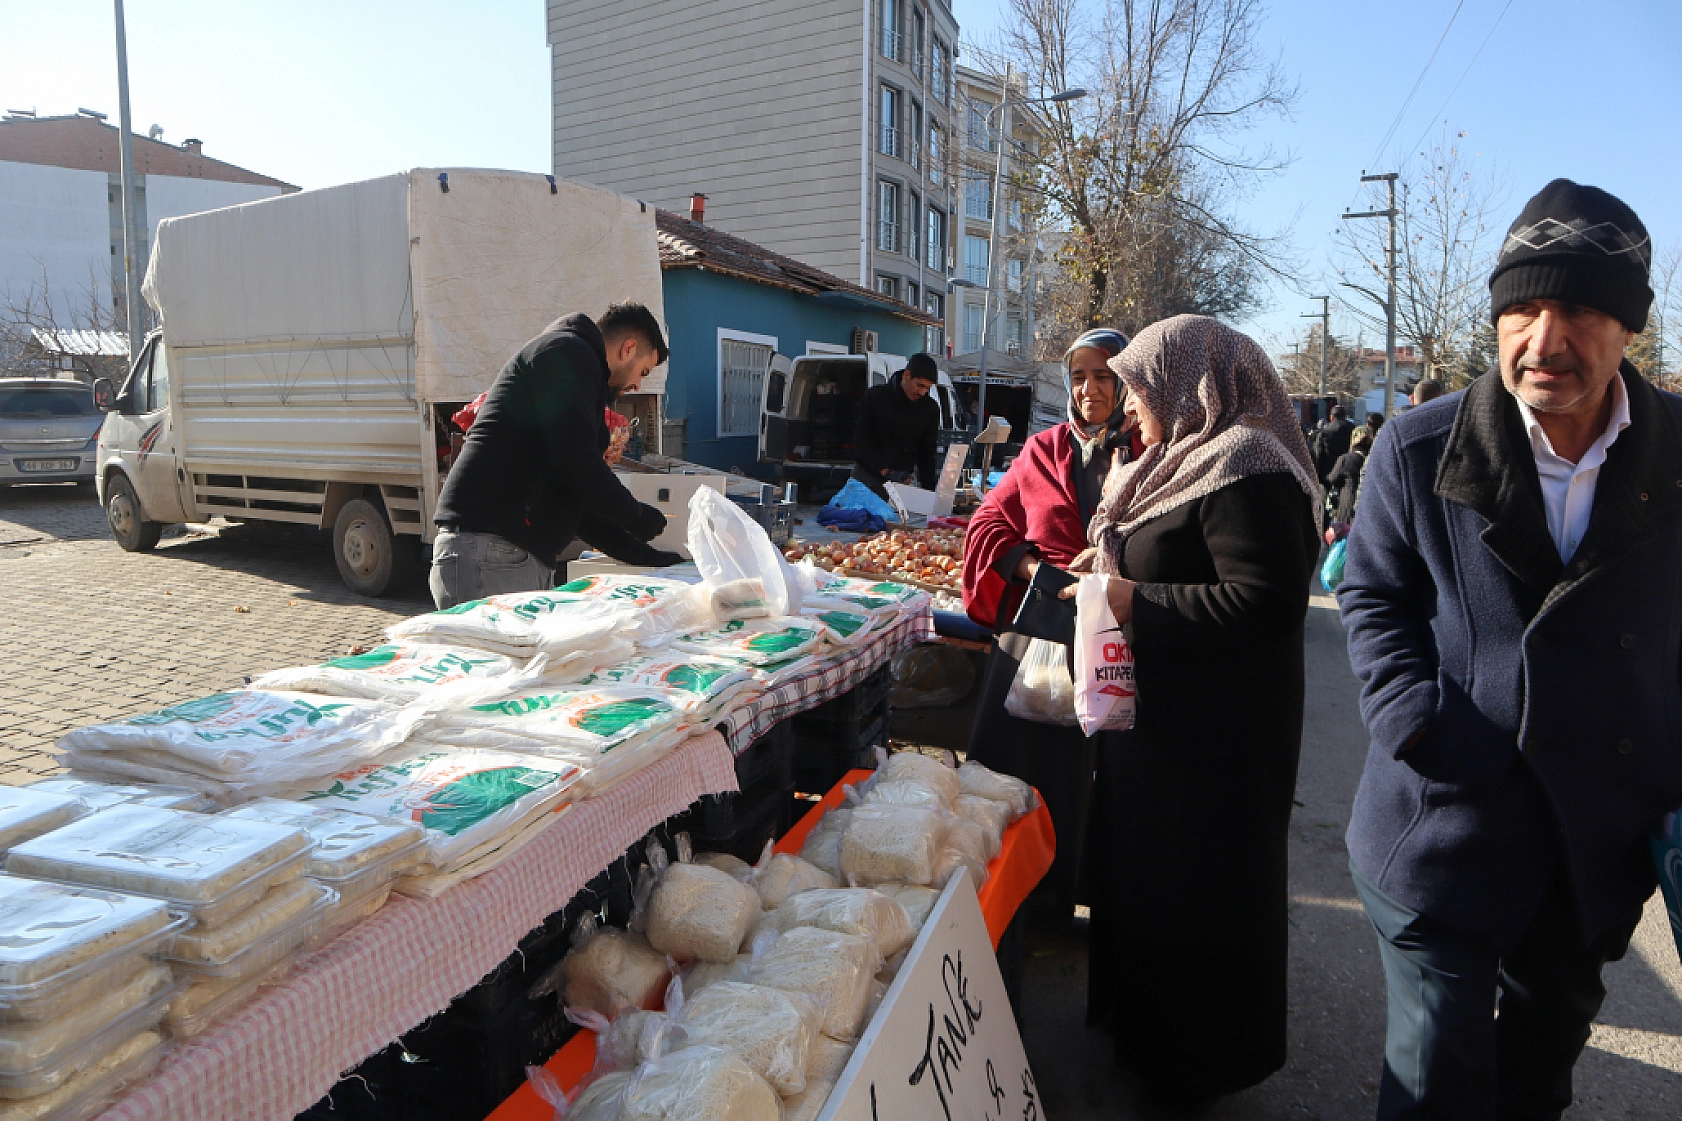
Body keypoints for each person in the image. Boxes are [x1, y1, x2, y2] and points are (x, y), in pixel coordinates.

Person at [1338, 179, 1682, 1120]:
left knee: (1536, 1078)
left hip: (1596, 840)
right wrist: (1420, 722)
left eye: (1577, 309)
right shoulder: (1417, 451)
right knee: (1438, 1081)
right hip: (1442, 822)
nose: (1545, 339)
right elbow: (1368, 597)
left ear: (1628, 329)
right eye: (1522, 309)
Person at [1072, 315, 1320, 1106]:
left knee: (1198, 896)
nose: (1130, 403)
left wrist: (1130, 598)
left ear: (1191, 380)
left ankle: (1191, 1066)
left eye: (1141, 384)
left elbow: (1265, 601)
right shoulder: (1183, 460)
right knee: (1149, 882)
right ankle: (1142, 1036)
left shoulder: (1248, 464)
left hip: (1217, 745)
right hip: (1165, 726)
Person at [961, 327, 1132, 919]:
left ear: (1129, 380)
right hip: (1039, 633)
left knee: (1093, 776)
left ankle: (1074, 897)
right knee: (1022, 764)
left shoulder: (1149, 452)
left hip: (1119, 632)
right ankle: (1008, 896)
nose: (1090, 388)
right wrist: (1036, 566)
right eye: (1079, 376)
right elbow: (988, 524)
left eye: (1105, 375)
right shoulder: (1042, 451)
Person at [429, 303, 682, 609]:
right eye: (643, 372)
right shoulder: (568, 353)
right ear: (628, 348)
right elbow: (577, 464)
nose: (637, 385)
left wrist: (645, 556)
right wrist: (635, 516)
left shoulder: (571, 361)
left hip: (505, 554)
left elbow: (576, 497)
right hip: (493, 551)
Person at [851, 353, 941, 500]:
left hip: (901, 484)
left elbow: (927, 454)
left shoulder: (929, 408)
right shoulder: (875, 397)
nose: (922, 392)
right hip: (867, 481)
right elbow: (862, 442)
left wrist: (930, 494)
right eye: (919, 385)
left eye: (927, 388)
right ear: (906, 375)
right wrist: (885, 471)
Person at [1326, 429, 1372, 525]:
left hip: (1348, 503)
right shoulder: (1372, 459)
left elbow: (1332, 479)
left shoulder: (1346, 459)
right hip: (1367, 505)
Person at [1311, 404, 1354, 483]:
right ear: (1345, 416)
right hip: (1348, 474)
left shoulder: (1324, 433)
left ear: (1331, 417)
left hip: (1327, 475)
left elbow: (1318, 455)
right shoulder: (1353, 430)